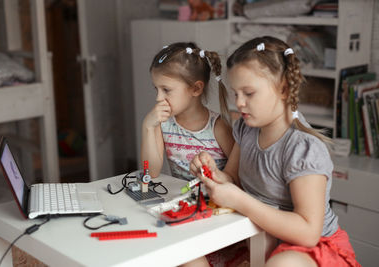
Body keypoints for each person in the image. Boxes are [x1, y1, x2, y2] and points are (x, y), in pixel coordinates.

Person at [188, 36, 360, 267]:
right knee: (187, 253)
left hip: (312, 248)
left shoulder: (302, 148)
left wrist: (239, 200)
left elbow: (308, 232)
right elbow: (233, 178)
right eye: (235, 93)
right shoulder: (246, 129)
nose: (239, 103)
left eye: (248, 93)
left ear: (284, 89)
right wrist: (213, 174)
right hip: (261, 237)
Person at [141, 42, 234, 181]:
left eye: (166, 90)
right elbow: (150, 173)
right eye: (156, 89)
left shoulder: (218, 127)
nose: (158, 98)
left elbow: (237, 176)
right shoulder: (163, 124)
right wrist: (147, 127)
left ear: (196, 89)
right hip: (182, 200)